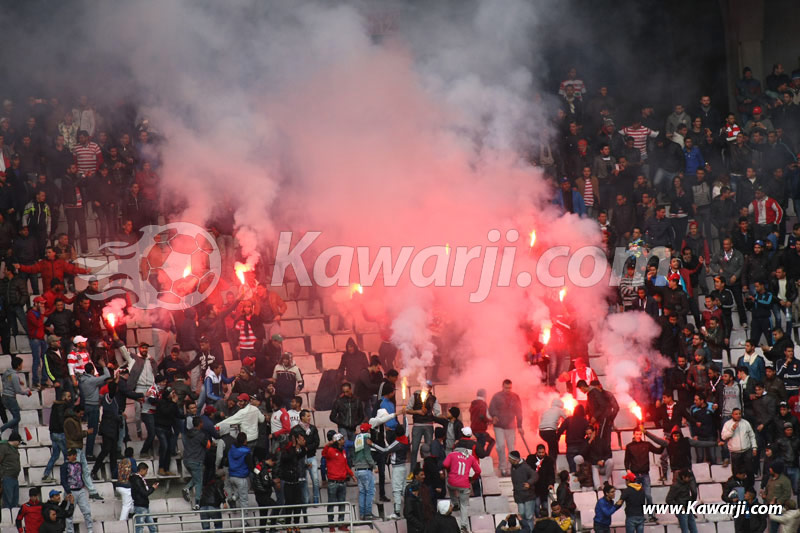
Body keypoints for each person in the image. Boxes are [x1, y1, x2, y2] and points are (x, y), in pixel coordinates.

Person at [443, 432, 481, 532]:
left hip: (452, 482)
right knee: (464, 505)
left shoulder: (451, 455)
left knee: (449, 486)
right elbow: (478, 471)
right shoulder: (471, 457)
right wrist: (473, 479)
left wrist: (449, 472)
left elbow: (445, 464)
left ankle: (455, 503)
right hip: (464, 484)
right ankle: (464, 526)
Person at [372, 421, 409, 519]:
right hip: (403, 467)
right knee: (404, 489)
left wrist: (372, 444)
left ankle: (397, 513)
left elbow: (385, 450)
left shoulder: (397, 443)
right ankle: (409, 509)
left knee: (396, 490)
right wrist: (405, 417)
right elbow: (407, 427)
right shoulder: (406, 439)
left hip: (397, 468)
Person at [489, 379, 524, 477]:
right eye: (506, 388)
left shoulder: (515, 397)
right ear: (502, 387)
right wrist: (494, 415)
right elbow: (491, 408)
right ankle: (503, 467)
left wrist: (520, 425)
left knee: (511, 448)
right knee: (500, 446)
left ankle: (510, 468)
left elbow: (519, 411)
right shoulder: (496, 396)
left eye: (509, 388)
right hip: (499, 425)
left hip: (511, 425)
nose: (508, 390)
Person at [276, 430, 308, 529]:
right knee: (289, 503)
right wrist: (294, 446)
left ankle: (296, 524)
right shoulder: (287, 450)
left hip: (296, 481)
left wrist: (301, 446)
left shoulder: (299, 451)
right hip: (288, 482)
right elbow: (287, 458)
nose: (304, 440)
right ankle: (288, 524)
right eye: (301, 439)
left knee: (298, 504)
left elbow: (303, 453)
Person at [322, 432, 354, 528]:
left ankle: (341, 523)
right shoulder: (330, 451)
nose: (344, 441)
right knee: (331, 504)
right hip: (333, 482)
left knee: (342, 504)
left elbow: (345, 465)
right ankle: (331, 524)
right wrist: (328, 444)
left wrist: (352, 475)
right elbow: (323, 453)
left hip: (342, 482)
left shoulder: (343, 452)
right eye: (342, 439)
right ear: (338, 441)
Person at [60, 448, 94, 533]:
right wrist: (68, 491)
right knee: (69, 513)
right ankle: (70, 531)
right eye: (69, 455)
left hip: (80, 489)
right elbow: (63, 480)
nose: (69, 457)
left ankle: (90, 529)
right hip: (71, 491)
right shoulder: (64, 466)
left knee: (86, 511)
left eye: (71, 455)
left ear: (75, 455)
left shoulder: (79, 464)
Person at [42, 390, 72, 483]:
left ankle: (46, 475)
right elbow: (60, 419)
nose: (70, 398)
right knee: (67, 455)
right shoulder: (62, 406)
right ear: (64, 397)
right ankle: (69, 476)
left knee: (55, 455)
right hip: (59, 433)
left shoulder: (55, 406)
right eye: (69, 396)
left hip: (53, 433)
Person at [155, 386, 183, 476]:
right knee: (164, 447)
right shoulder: (161, 402)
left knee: (169, 449)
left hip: (168, 428)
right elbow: (165, 412)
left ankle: (166, 469)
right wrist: (174, 403)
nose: (174, 395)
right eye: (172, 393)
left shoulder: (173, 404)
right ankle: (161, 468)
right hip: (160, 428)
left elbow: (177, 414)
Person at [182, 416, 209, 510]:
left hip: (186, 459)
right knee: (199, 482)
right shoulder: (201, 435)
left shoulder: (188, 433)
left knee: (196, 478)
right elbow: (208, 445)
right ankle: (197, 503)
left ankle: (187, 488)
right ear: (200, 423)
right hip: (196, 460)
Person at [330, 382, 364, 451]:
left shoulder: (357, 401)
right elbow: (332, 417)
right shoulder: (338, 401)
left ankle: (351, 461)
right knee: (345, 446)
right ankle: (346, 460)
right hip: (343, 428)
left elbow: (362, 416)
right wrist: (341, 423)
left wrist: (356, 423)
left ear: (351, 390)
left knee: (354, 448)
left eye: (347, 391)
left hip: (353, 427)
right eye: (344, 392)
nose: (345, 394)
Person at [1, 356, 31, 435]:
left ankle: (15, 436)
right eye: (21, 364)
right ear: (18, 366)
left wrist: (18, 381)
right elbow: (18, 390)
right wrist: (27, 392)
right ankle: (1, 429)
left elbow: (6, 381)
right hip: (10, 398)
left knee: (15, 417)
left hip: (4, 397)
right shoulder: (14, 376)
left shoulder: (7, 373)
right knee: (17, 418)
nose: (22, 366)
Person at [509, 450, 537, 531]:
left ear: (515, 460)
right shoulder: (513, 467)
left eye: (510, 459)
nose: (508, 460)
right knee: (522, 516)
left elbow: (535, 475)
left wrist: (529, 483)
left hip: (528, 496)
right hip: (519, 496)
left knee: (529, 516)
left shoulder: (525, 467)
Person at [131, 462, 159, 533]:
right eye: (146, 471)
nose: (146, 473)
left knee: (153, 528)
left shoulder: (138, 479)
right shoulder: (137, 480)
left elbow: (143, 490)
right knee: (140, 528)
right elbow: (144, 493)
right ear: (142, 470)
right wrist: (153, 488)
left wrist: (151, 487)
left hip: (144, 506)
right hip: (140, 506)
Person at [470, 388, 495, 458]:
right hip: (480, 429)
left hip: (474, 428)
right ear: (484, 395)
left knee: (479, 446)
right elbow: (482, 416)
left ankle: (480, 457)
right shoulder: (482, 404)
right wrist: (490, 421)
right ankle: (485, 457)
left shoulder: (473, 403)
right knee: (490, 442)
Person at [0, 432, 22, 510]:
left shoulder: (14, 449)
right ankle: (9, 517)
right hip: (7, 477)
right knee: (8, 500)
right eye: (19, 441)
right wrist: (2, 475)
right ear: (15, 441)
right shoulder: (3, 447)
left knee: (14, 500)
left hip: (14, 477)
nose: (19, 444)